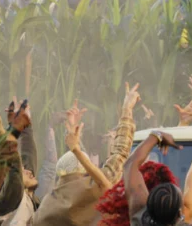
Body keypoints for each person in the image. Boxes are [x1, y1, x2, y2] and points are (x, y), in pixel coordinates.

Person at [32, 83, 140, 226]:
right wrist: (127, 109)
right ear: (85, 169)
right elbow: (120, 151)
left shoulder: (46, 206)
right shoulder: (96, 187)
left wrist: (72, 133)